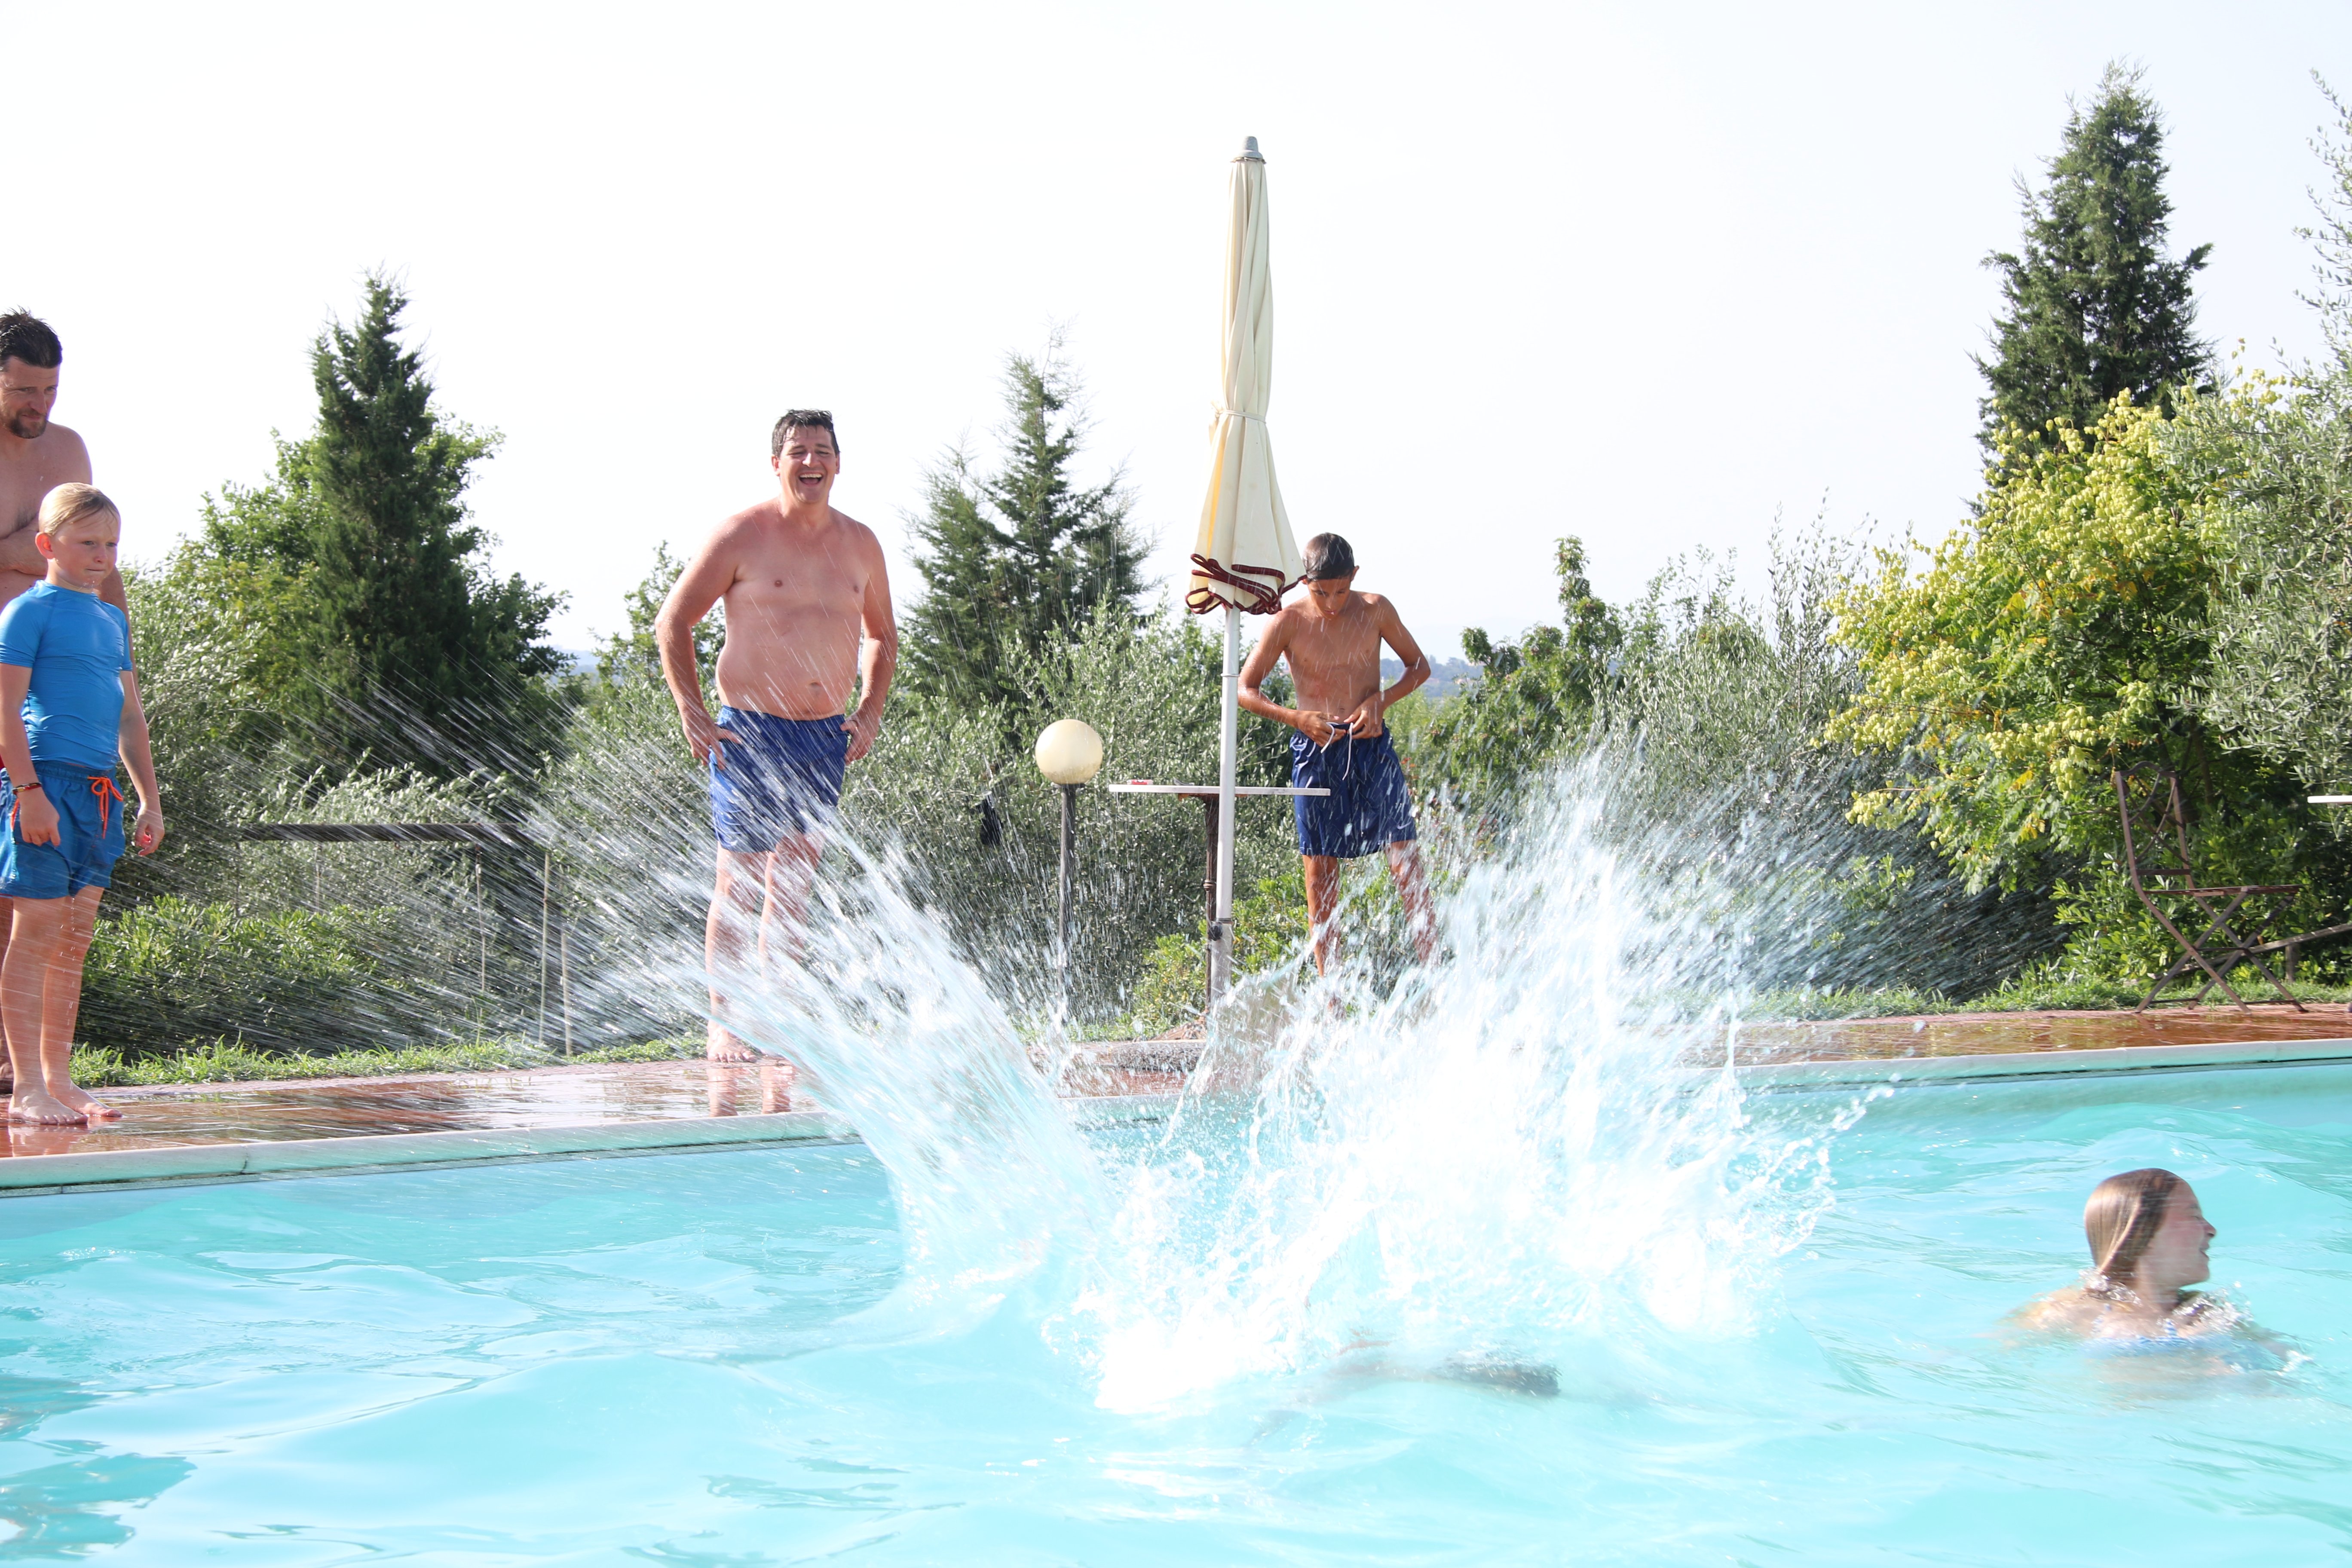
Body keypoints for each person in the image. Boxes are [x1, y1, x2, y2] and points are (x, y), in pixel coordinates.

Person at [656, 410, 896, 1069]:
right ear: (776, 463)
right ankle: (726, 1025)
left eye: (822, 451)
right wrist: (691, 711)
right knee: (738, 884)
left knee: (792, 888)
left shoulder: (862, 544)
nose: (810, 462)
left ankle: (781, 1021)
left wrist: (870, 710)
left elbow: (882, 636)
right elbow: (673, 622)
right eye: (798, 451)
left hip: (824, 737)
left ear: (839, 463)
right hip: (750, 733)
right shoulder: (743, 534)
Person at [0, 484, 162, 1125]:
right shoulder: (27, 613)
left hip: (100, 794)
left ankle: (60, 1081)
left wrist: (149, 800)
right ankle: (25, 1089)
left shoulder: (111, 620)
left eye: (112, 544)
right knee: (36, 932)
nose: (103, 556)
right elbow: (4, 710)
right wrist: (30, 793)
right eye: (88, 542)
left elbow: (131, 719)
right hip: (44, 785)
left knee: (73, 941)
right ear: (47, 545)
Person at [0, 313, 126, 1103]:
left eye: (49, 389)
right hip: (8, 678)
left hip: (55, 690)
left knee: (46, 902)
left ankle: (33, 1072)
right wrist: (24, 548)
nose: (38, 405)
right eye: (23, 390)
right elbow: (50, 551)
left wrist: (124, 656)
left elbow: (93, 552)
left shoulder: (68, 450)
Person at [1237, 533, 1436, 975]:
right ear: (1304, 582)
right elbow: (1245, 691)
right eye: (1321, 592)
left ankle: (1436, 971)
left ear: (1355, 577)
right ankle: (1332, 998)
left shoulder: (1376, 609)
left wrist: (1381, 701)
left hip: (1371, 746)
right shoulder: (1287, 621)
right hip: (1316, 752)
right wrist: (1296, 718)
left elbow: (1419, 666)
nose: (1332, 603)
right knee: (1320, 877)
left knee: (1406, 863)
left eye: (1342, 591)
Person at [2013, 1167, 2236, 1342]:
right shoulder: (2068, 1311)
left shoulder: (2208, 1313)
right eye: (2195, 1217)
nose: (2211, 1230)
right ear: (2144, 1233)